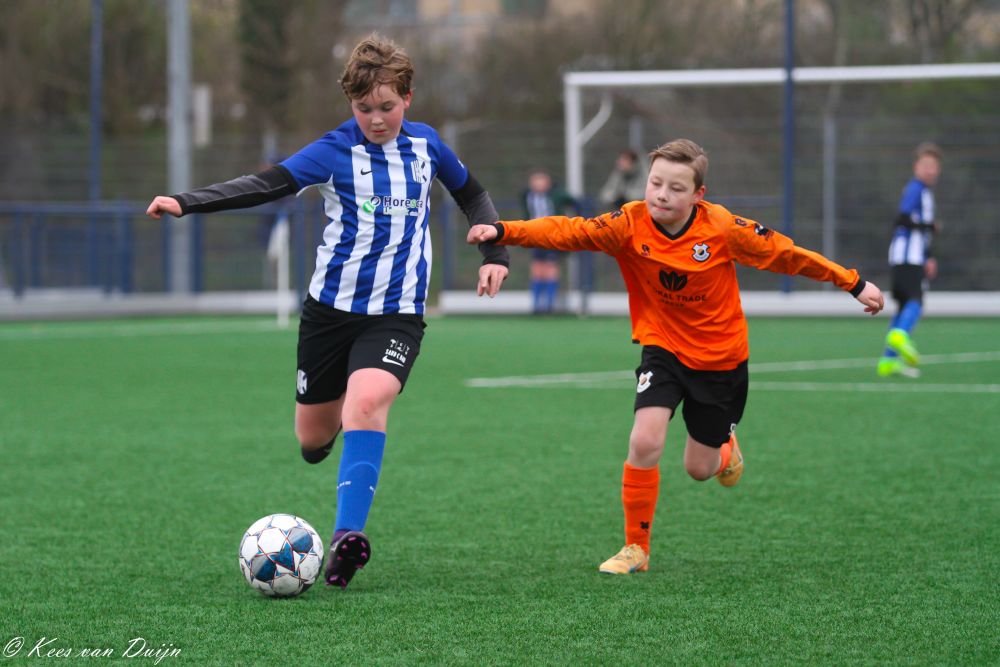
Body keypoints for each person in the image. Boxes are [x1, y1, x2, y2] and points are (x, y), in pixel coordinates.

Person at [146, 33, 509, 590]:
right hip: (329, 314)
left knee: (367, 402)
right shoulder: (334, 151)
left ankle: (346, 539)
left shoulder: (428, 146)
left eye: (386, 106)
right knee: (313, 439)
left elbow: (474, 195)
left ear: (407, 98)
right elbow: (264, 184)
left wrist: (495, 253)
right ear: (350, 104)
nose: (376, 119)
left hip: (397, 314)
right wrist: (187, 202)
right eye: (364, 108)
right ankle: (334, 431)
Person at [467, 139, 883, 575]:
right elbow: (568, 231)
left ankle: (726, 450)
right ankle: (636, 548)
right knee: (644, 440)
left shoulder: (722, 229)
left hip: (720, 360)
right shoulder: (629, 223)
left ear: (698, 195)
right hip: (662, 348)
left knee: (699, 469)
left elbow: (788, 255)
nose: (662, 195)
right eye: (655, 183)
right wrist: (503, 230)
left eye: (676, 188)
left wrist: (852, 283)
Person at [877, 142, 942, 378]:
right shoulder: (916, 189)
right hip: (908, 256)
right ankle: (900, 335)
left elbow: (916, 228)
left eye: (934, 166)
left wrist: (929, 256)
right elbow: (902, 218)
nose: (930, 170)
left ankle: (888, 361)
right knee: (916, 301)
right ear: (916, 167)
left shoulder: (924, 192)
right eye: (926, 165)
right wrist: (929, 226)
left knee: (904, 304)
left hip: (909, 256)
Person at [521, 170, 576, 314]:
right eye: (535, 181)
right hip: (534, 235)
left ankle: (549, 306)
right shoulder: (527, 195)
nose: (538, 184)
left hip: (552, 235)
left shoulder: (556, 195)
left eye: (541, 181)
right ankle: (536, 306)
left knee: (551, 268)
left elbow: (572, 201)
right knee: (537, 268)